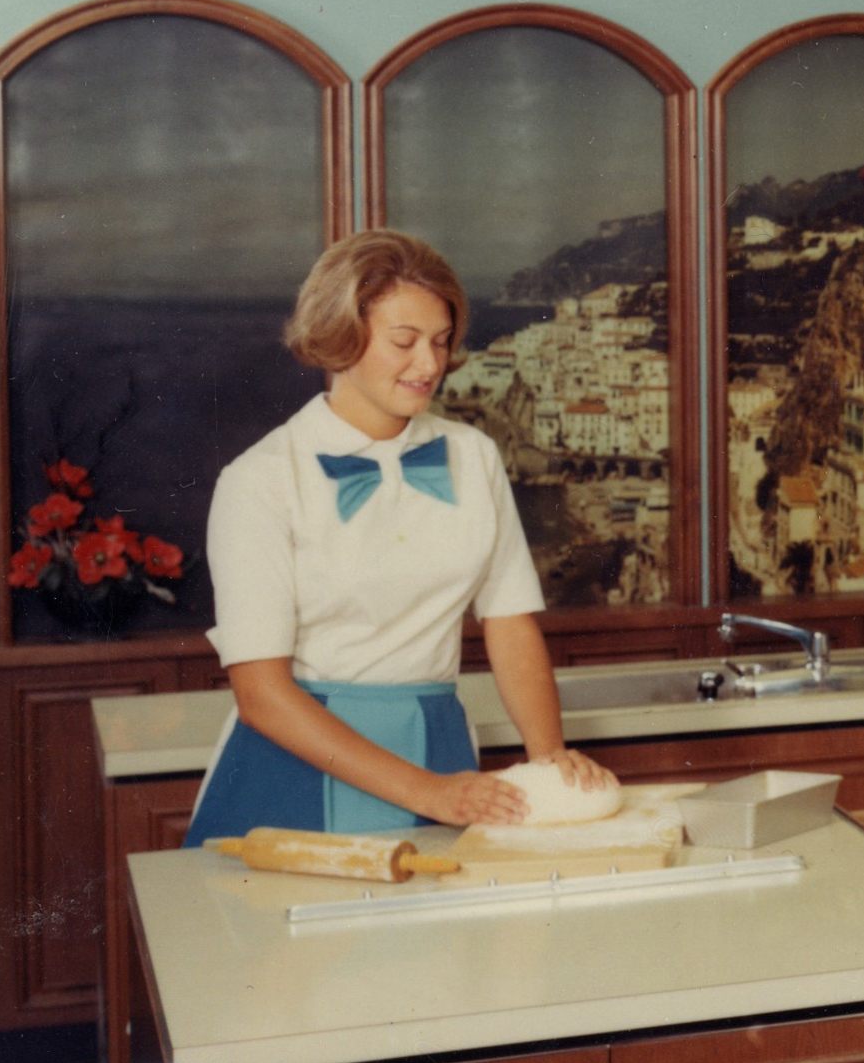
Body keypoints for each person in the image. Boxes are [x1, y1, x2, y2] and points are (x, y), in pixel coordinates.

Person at [182, 230, 618, 844]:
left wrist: (549, 755)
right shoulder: (259, 479)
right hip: (299, 764)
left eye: (441, 342)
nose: (430, 365)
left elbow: (509, 621)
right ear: (340, 338)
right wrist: (429, 792)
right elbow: (261, 695)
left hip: (438, 742)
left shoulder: (475, 456)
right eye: (404, 342)